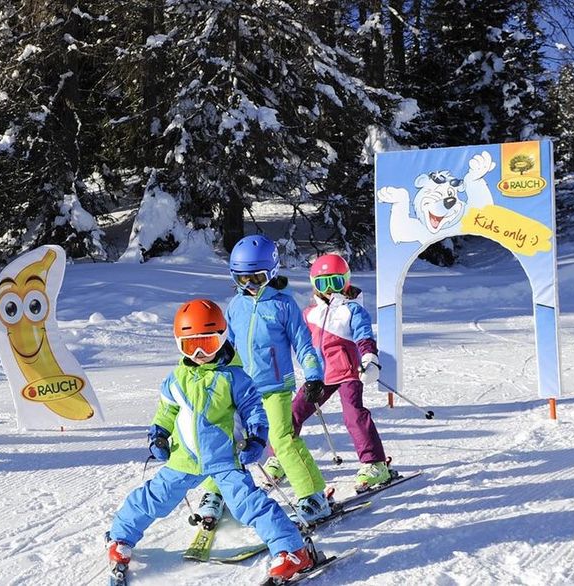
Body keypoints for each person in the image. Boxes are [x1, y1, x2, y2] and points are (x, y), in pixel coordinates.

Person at [106, 299, 313, 583]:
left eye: (208, 343)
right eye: (191, 346)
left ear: (222, 338)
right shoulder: (177, 378)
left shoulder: (234, 377)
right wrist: (159, 434)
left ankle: (291, 550)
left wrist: (256, 438)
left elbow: (254, 409)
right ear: (180, 345)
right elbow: (167, 411)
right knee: (154, 497)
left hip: (225, 458)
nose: (201, 352)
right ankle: (120, 537)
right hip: (184, 458)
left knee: (248, 504)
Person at [212, 234, 331, 525]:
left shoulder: (283, 305)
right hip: (243, 389)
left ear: (272, 273)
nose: (250, 286)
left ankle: (313, 495)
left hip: (276, 387)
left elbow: (304, 345)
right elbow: (232, 346)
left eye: (257, 278)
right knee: (226, 438)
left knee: (282, 440)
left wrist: (314, 376)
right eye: (242, 280)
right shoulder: (235, 306)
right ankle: (215, 492)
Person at [265, 254, 392, 491]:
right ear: (314, 285)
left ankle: (375, 463)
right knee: (292, 412)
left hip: (348, 372)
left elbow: (364, 336)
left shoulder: (352, 310)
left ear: (346, 281)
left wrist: (369, 358)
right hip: (319, 376)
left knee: (354, 414)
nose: (330, 290)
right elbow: (295, 338)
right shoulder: (309, 313)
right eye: (323, 284)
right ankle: (280, 456)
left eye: (335, 282)